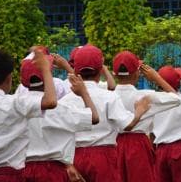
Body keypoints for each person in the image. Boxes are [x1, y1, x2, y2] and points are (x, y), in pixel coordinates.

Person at [59, 44, 151, 182]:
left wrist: (67, 164)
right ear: (100, 69)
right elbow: (127, 125)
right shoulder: (109, 96)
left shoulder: (65, 100)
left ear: (76, 70)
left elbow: (62, 135)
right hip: (104, 156)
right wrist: (138, 112)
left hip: (75, 157)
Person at [22, 55, 99, 182]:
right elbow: (94, 118)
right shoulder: (61, 109)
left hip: (23, 171)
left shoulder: (15, 108)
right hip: (53, 171)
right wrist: (84, 93)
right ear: (48, 77)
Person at [113, 51, 181, 182]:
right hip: (138, 144)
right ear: (137, 73)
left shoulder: (108, 95)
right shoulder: (145, 96)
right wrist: (156, 78)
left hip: (114, 143)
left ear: (114, 74)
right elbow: (176, 98)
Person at [0, 48, 57, 182]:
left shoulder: (16, 100)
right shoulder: (15, 103)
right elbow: (50, 101)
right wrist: (45, 69)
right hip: (8, 174)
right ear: (9, 78)